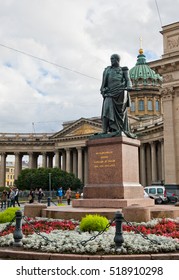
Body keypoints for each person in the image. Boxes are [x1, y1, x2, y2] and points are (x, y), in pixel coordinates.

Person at [100, 54, 134, 137]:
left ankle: (117, 129)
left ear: (117, 60)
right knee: (106, 111)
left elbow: (128, 80)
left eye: (113, 59)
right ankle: (104, 131)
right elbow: (103, 84)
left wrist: (129, 86)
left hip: (120, 93)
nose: (111, 61)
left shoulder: (123, 70)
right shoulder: (107, 70)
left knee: (120, 113)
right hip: (109, 93)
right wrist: (103, 89)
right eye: (110, 59)